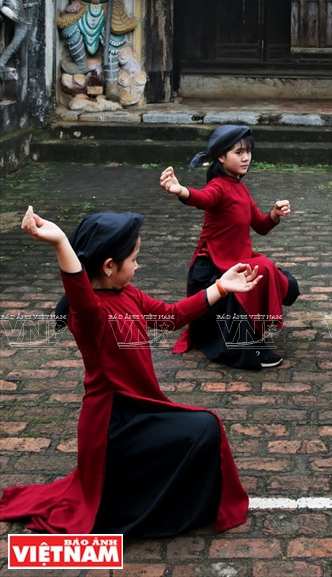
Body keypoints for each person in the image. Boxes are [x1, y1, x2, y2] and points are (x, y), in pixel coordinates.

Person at [0, 207, 259, 536]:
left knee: (203, 426)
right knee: (206, 425)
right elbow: (78, 287)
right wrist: (60, 242)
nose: (138, 265)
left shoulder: (128, 294)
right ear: (109, 267)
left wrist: (221, 287)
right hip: (113, 427)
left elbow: (170, 316)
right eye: (134, 259)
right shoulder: (89, 313)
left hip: (137, 411)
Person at [160, 124, 299, 370]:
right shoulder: (219, 186)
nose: (246, 157)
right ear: (222, 157)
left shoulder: (241, 188)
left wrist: (275, 214)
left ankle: (254, 335)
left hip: (236, 258)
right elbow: (203, 198)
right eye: (238, 152)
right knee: (262, 267)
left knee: (269, 270)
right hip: (212, 265)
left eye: (248, 151)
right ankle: (246, 346)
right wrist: (180, 190)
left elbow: (261, 225)